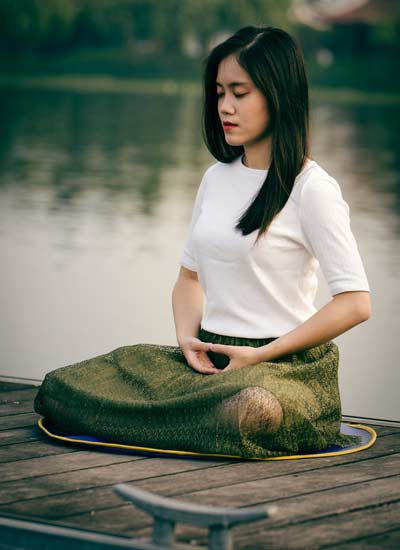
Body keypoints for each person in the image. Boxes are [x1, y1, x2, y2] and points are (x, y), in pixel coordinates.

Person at [34, 26, 371, 459]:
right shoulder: (216, 179)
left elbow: (356, 303)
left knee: (249, 409)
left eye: (239, 93)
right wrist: (187, 340)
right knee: (63, 387)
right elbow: (188, 280)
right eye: (218, 93)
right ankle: (185, 418)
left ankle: (176, 419)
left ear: (278, 94)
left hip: (282, 372)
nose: (225, 107)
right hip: (210, 362)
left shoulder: (312, 189)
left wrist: (262, 354)